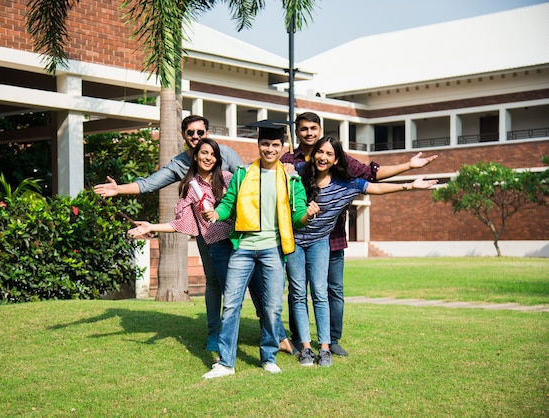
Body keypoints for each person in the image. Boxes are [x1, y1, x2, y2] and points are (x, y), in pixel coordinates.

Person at [281, 111, 439, 356]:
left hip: (329, 237)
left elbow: (371, 177)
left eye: (314, 128)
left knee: (331, 289)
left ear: (320, 131)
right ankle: (301, 340)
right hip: (298, 237)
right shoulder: (292, 162)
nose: (309, 133)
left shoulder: (338, 157)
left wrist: (408, 169)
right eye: (303, 129)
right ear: (297, 131)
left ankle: (331, 341)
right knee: (298, 290)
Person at [94, 115, 242, 352]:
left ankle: (268, 333)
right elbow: (150, 184)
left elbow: (246, 183)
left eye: (200, 132)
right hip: (207, 235)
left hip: (236, 232)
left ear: (207, 132)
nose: (196, 137)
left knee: (244, 285)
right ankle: (215, 333)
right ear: (184, 135)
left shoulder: (225, 155)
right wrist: (118, 189)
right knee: (213, 282)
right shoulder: (181, 164)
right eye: (190, 133)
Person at [200, 120, 318, 379]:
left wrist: (307, 217)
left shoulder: (291, 178)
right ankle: (226, 363)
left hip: (273, 250)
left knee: (272, 307)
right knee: (231, 305)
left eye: (275, 145)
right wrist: (215, 214)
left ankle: (268, 356)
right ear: (259, 145)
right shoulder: (243, 174)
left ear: (282, 146)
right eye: (265, 144)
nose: (270, 149)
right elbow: (228, 204)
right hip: (242, 249)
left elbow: (297, 213)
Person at [127, 138, 234, 352]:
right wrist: (151, 227)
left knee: (234, 289)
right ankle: (215, 333)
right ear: (195, 156)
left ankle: (262, 333)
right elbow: (182, 223)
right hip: (208, 242)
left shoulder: (227, 179)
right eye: (204, 153)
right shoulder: (190, 186)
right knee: (213, 285)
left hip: (232, 241)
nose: (208, 158)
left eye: (212, 154)